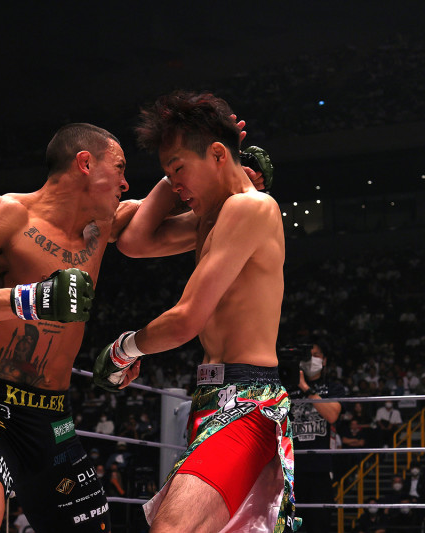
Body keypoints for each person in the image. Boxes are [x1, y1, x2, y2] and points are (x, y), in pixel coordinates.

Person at [0, 122, 139, 533]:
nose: (126, 182)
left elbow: (188, 214)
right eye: (120, 167)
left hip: (55, 419)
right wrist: (32, 299)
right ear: (85, 163)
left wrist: (232, 171)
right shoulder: (3, 214)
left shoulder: (101, 227)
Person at [93, 91, 295, 532]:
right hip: (211, 399)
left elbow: (186, 319)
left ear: (218, 155)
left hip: (245, 403)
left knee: (171, 527)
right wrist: (182, 172)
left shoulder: (251, 207)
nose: (175, 184)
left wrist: (124, 349)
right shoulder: (211, 218)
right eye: (168, 174)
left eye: (179, 168)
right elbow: (135, 241)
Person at [289, 342, 342, 532]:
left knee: (320, 524)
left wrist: (306, 388)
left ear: (324, 360)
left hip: (320, 468)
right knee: (293, 526)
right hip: (292, 470)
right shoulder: (287, 388)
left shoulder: (332, 388)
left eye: (316, 355)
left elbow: (332, 415)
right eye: (307, 355)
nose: (312, 359)